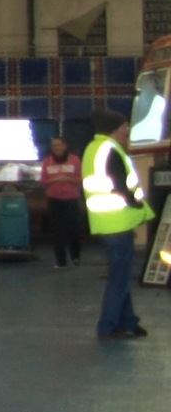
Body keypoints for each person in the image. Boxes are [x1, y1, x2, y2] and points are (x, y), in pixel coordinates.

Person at [82, 113, 154, 340]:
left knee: (120, 275)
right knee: (119, 278)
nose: (128, 130)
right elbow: (122, 186)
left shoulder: (94, 148)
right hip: (117, 220)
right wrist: (139, 206)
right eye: (125, 126)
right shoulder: (109, 150)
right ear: (114, 128)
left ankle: (128, 322)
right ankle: (108, 326)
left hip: (107, 220)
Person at [39, 136, 87, 268]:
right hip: (54, 200)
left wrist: (67, 179)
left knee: (73, 229)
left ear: (65, 146)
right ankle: (60, 261)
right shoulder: (47, 161)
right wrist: (53, 181)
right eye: (54, 145)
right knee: (57, 231)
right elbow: (43, 181)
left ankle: (75, 255)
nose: (56, 148)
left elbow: (81, 179)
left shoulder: (75, 160)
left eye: (58, 145)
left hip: (71, 200)